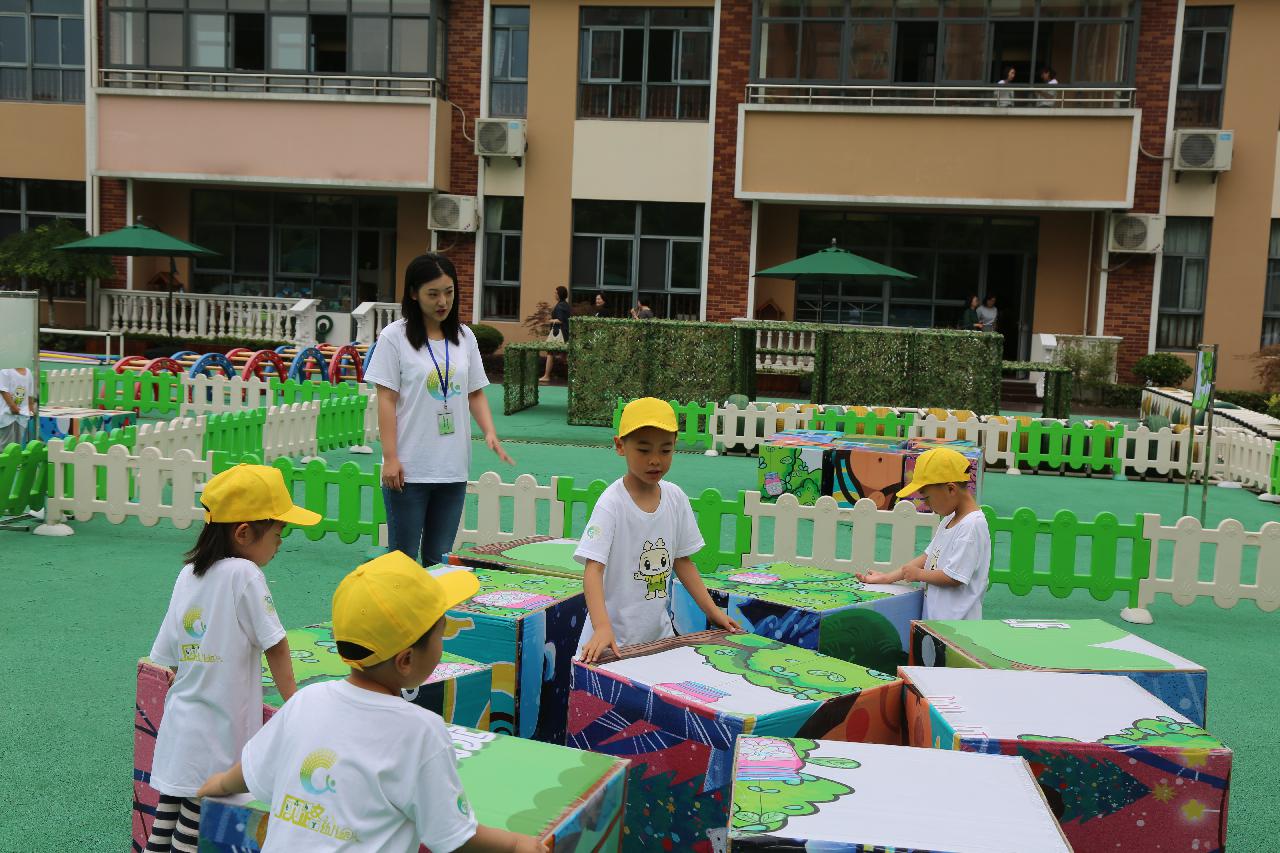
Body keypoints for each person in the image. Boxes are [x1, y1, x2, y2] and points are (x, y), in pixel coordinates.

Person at [196, 552, 541, 853]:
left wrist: (220, 784)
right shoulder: (421, 731)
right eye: (441, 631)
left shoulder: (307, 701)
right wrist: (515, 844)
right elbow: (453, 837)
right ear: (405, 660)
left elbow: (253, 768)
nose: (443, 640)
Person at [144, 464, 321, 853]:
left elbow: (167, 654)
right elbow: (275, 643)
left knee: (167, 820)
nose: (280, 543)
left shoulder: (188, 573)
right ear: (244, 533)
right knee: (195, 830)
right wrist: (294, 704)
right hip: (217, 731)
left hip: (182, 724)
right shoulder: (245, 574)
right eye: (278, 533)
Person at [365, 253, 514, 567]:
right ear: (413, 293)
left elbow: (475, 392)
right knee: (402, 561)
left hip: (452, 468)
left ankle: (435, 619)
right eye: (433, 294)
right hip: (408, 469)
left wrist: (490, 432)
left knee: (439, 560)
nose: (442, 301)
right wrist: (390, 458)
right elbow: (386, 400)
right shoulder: (394, 337)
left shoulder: (464, 337)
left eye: (448, 291)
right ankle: (401, 618)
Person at [575, 398, 741, 662]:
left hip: (658, 639)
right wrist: (602, 627)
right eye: (643, 450)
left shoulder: (676, 498)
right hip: (610, 643)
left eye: (665, 450)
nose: (655, 460)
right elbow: (593, 571)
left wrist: (712, 611)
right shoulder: (612, 503)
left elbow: (683, 562)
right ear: (620, 446)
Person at [856, 448, 990, 621]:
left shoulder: (972, 525)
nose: (927, 505)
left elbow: (954, 576)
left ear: (950, 489)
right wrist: (888, 577)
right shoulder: (950, 519)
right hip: (937, 622)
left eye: (927, 498)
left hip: (957, 627)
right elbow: (927, 557)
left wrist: (919, 575)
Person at [540, 285, 572, 384]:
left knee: (550, 353)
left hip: (558, 333)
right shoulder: (565, 305)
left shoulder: (560, 305)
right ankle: (574, 376)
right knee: (564, 356)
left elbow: (560, 320)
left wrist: (550, 320)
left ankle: (546, 376)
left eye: (555, 292)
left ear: (559, 294)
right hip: (565, 333)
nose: (554, 294)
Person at [0, 365, 36, 447]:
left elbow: (30, 394)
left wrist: (30, 409)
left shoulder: (28, 372)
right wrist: (13, 407)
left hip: (22, 414)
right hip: (7, 414)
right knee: (5, 444)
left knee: (17, 444)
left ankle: (13, 459)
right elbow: (3, 390)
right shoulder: (5, 370)